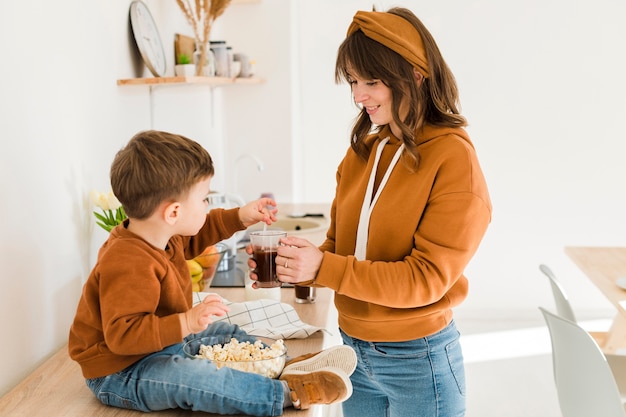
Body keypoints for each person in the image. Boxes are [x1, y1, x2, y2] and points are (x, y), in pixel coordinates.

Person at [252, 7, 492, 417]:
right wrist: (297, 265)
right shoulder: (365, 150)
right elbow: (340, 245)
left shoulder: (453, 158)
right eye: (353, 82)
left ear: (415, 74)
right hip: (353, 354)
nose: (358, 95)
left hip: (419, 361)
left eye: (371, 82)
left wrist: (324, 266)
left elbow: (426, 279)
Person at [68, 130, 357, 416]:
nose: (208, 207)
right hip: (121, 370)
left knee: (223, 331)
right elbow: (124, 336)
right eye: (205, 199)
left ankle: (282, 364)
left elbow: (198, 233)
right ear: (173, 213)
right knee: (197, 378)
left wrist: (240, 216)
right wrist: (186, 321)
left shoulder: (162, 235)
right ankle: (285, 393)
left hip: (159, 346)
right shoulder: (128, 261)